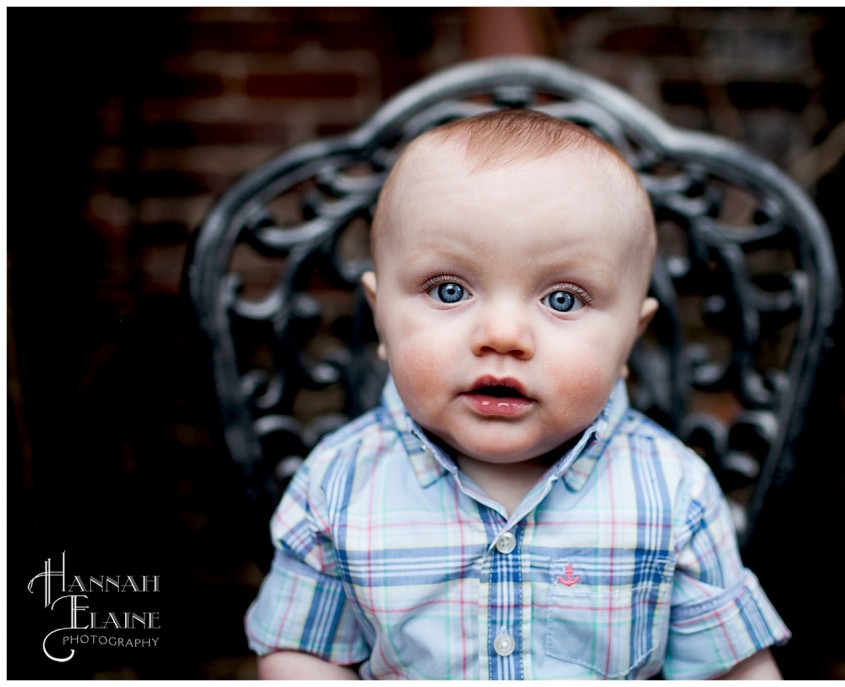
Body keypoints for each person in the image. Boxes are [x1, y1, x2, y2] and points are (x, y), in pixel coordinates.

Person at [244, 109, 791, 679]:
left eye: (562, 299)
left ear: (630, 339)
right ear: (380, 318)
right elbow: (301, 652)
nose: (503, 335)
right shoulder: (337, 485)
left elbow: (736, 671)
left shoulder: (674, 493)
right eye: (449, 289)